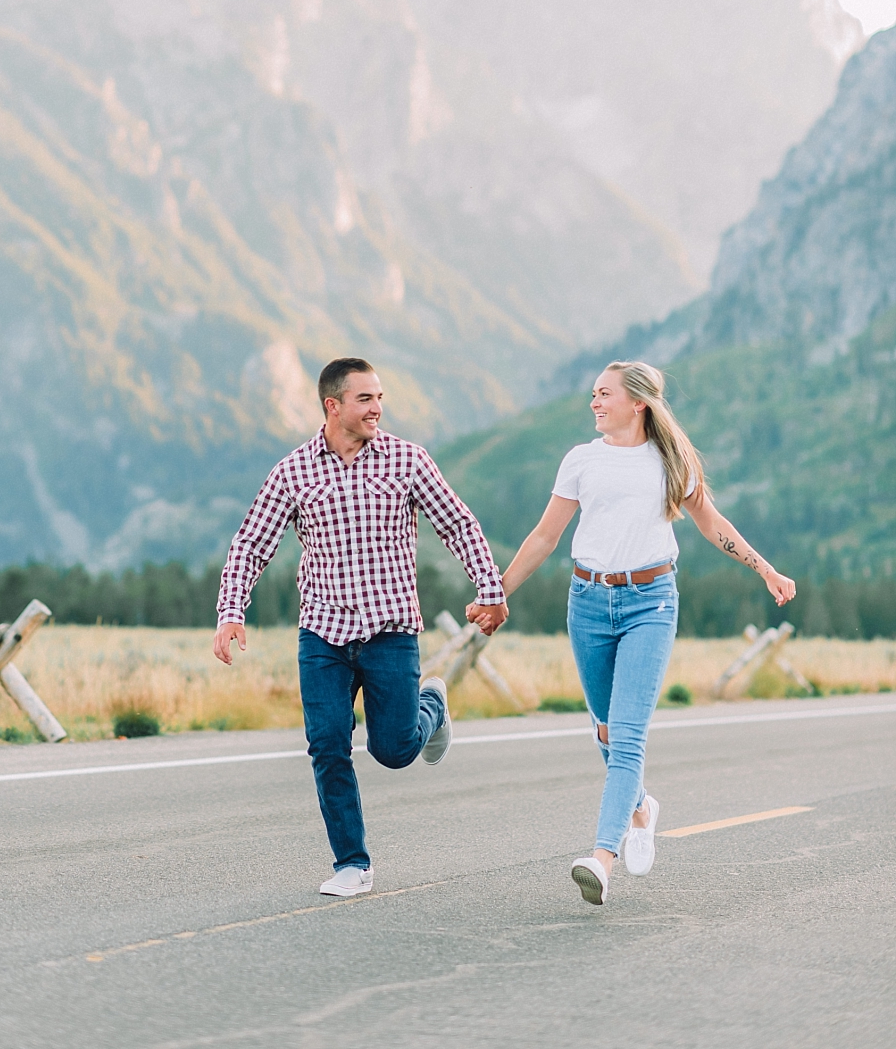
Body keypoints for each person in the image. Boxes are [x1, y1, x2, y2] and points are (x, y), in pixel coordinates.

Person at [467, 360, 796, 908]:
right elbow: (546, 537)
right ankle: (640, 807)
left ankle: (601, 856)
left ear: (637, 402)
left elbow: (712, 523)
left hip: (651, 602)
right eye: (593, 395)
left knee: (626, 734)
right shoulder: (581, 461)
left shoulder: (670, 461)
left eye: (603, 394)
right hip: (589, 603)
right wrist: (497, 593)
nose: (594, 403)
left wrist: (764, 568)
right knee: (605, 730)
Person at [213, 357, 508, 897]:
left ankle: (432, 704)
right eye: (365, 399)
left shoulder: (406, 460)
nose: (378, 408)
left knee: (394, 751)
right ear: (333, 406)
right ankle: (352, 863)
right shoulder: (292, 472)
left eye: (379, 398)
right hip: (322, 633)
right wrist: (231, 611)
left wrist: (489, 589)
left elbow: (458, 524)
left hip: (390, 631)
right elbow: (250, 545)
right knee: (327, 744)